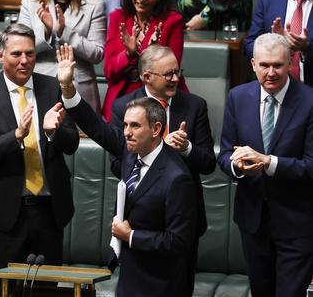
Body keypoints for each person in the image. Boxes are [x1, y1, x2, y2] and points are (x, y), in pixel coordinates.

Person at [57, 44, 196, 297]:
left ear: (155, 130)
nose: (126, 132)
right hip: (130, 276)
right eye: (125, 125)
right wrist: (68, 88)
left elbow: (177, 242)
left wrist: (131, 236)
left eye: (135, 126)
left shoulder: (177, 178)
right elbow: (94, 124)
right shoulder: (130, 152)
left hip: (161, 283)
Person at [0, 24, 79, 291]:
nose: (25, 60)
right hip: (6, 213)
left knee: (47, 289)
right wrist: (16, 135)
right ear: (0, 55)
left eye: (30, 53)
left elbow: (72, 143)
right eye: (17, 54)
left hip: (49, 209)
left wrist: (54, 132)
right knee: (10, 289)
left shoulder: (53, 88)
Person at [110, 44, 216, 295]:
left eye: (177, 71)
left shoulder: (194, 106)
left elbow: (209, 163)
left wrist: (186, 148)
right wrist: (153, 155)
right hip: (138, 220)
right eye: (167, 74)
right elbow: (117, 164)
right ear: (147, 76)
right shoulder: (124, 106)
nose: (175, 79)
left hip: (180, 223)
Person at [218, 33, 313, 297]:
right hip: (253, 220)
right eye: (264, 65)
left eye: (278, 65)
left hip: (297, 224)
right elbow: (225, 153)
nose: (271, 73)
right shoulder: (238, 97)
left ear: (291, 61)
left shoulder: (309, 102)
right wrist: (238, 165)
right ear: (253, 64)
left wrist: (268, 162)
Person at [18, 0, 106, 111]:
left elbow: (97, 54)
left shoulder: (95, 5)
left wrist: (62, 32)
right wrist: (46, 32)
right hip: (40, 84)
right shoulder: (31, 1)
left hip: (79, 87)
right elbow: (21, 47)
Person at [102, 0, 187, 122]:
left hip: (159, 98)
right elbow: (109, 71)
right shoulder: (118, 18)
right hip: (122, 97)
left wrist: (148, 51)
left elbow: (170, 73)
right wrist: (128, 54)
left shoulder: (172, 21)